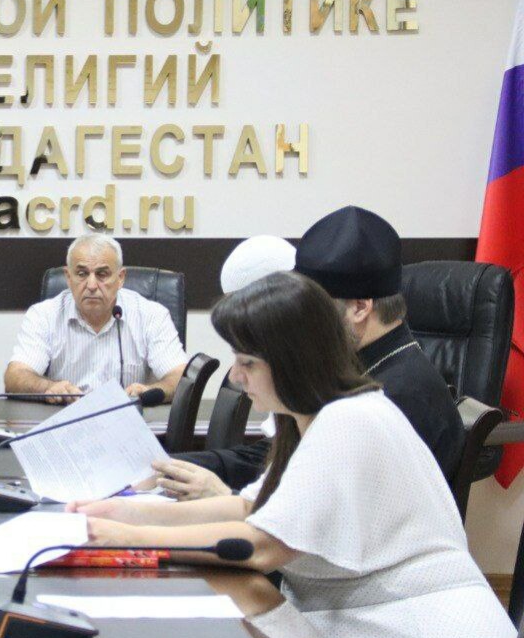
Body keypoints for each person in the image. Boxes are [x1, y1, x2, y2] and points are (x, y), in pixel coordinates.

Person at [70, 271, 516, 638]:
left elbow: (261, 546)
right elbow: (251, 507)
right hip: (375, 637)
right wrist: (125, 511)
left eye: (247, 362)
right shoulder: (311, 417)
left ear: (292, 361)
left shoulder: (349, 421)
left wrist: (121, 539)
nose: (235, 377)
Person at [161, 207, 464, 497]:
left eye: (312, 308)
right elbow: (276, 457)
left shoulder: (398, 399)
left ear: (359, 308)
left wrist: (227, 496)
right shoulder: (354, 368)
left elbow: (331, 509)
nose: (300, 321)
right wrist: (172, 466)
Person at [5, 234, 187, 402]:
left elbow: (181, 377)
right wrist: (49, 388)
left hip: (129, 418)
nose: (91, 285)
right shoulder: (44, 315)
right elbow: (15, 376)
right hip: (65, 418)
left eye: (102, 274)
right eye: (82, 274)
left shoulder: (151, 315)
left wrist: (150, 391)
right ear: (68, 277)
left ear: (120, 278)